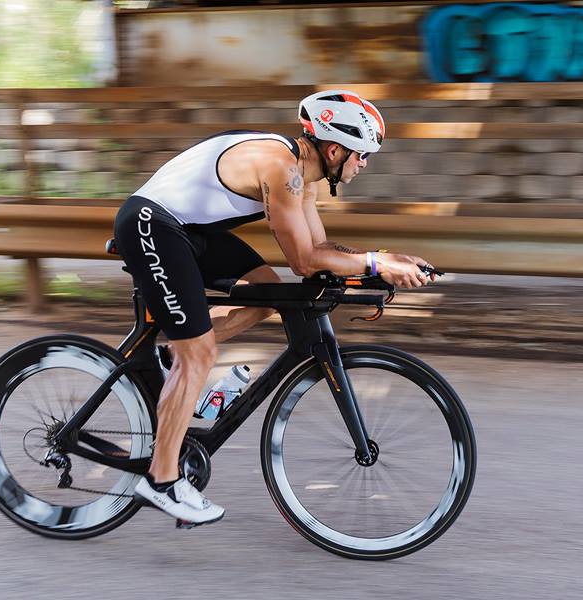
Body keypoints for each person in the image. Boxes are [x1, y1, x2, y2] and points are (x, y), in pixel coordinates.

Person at [112, 90, 434, 527]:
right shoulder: (281, 168)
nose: (364, 164)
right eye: (362, 155)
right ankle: (161, 481)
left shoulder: (303, 178)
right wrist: (376, 261)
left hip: (189, 231)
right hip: (153, 224)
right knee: (201, 353)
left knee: (268, 295)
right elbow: (304, 260)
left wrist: (383, 261)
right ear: (335, 149)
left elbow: (320, 249)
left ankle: (170, 361)